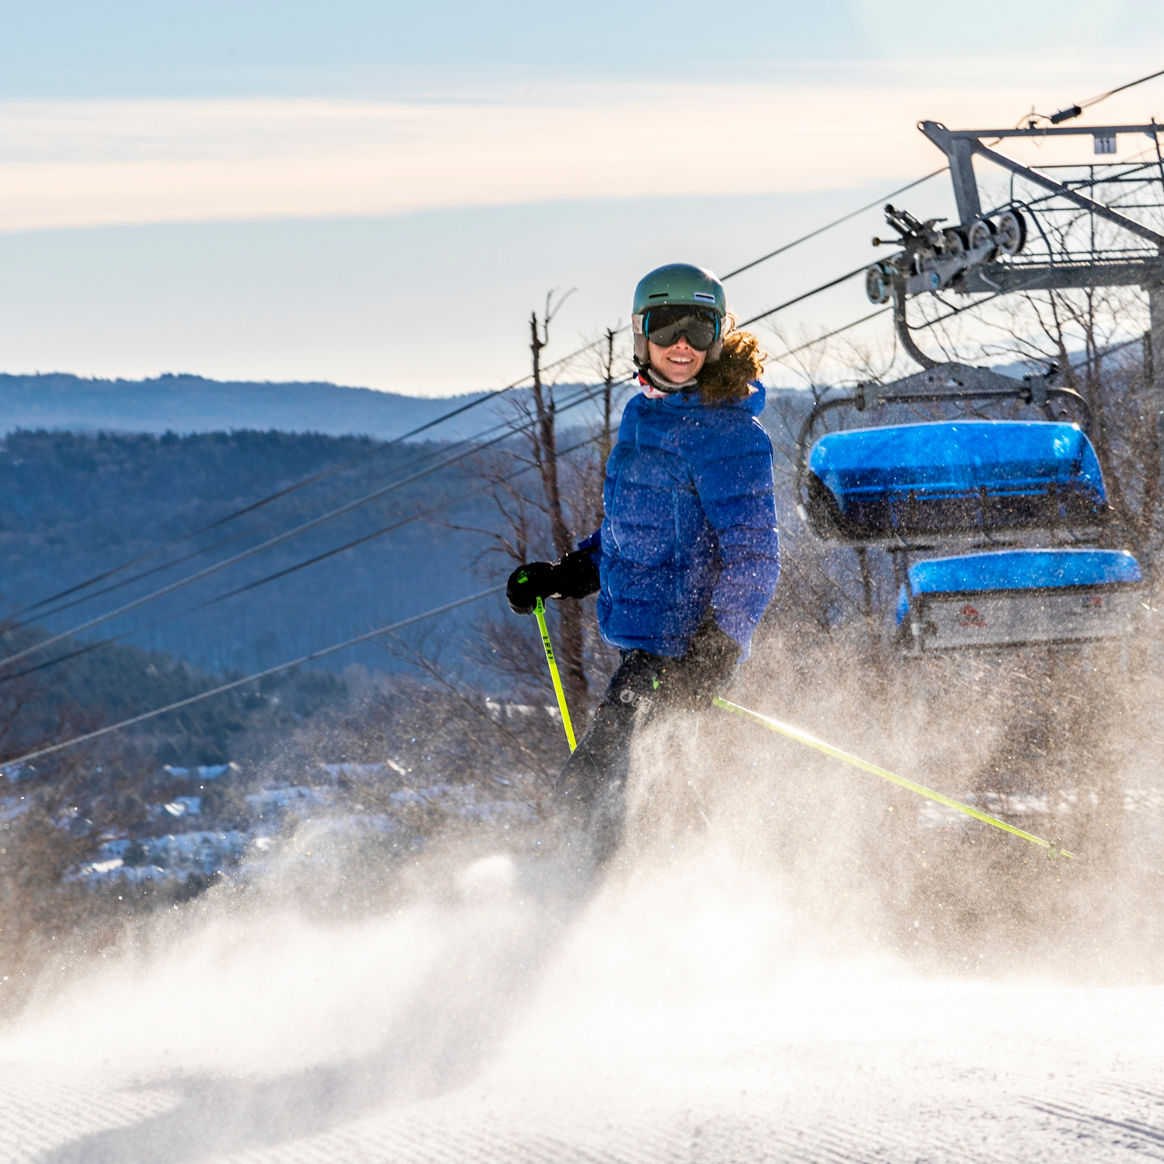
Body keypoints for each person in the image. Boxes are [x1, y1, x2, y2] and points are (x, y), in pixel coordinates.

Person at [506, 262, 780, 861]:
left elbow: (756, 558)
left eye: (699, 328)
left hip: (682, 653)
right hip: (646, 649)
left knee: (593, 796)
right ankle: (702, 913)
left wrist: (717, 649)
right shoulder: (642, 418)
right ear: (641, 334)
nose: (682, 343)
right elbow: (635, 530)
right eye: (666, 325)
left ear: (720, 334)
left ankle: (586, 923)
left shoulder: (730, 435)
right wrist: (570, 573)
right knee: (655, 804)